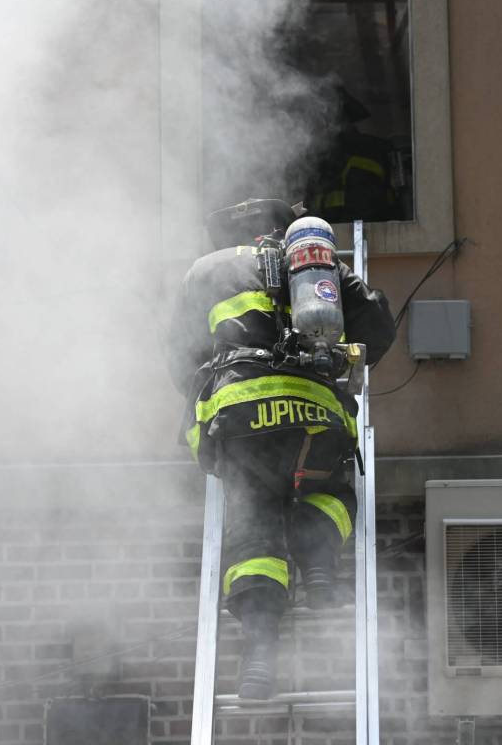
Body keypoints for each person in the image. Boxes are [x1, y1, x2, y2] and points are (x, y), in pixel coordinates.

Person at [167, 199, 395, 700]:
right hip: (315, 416)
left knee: (253, 528)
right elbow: (378, 329)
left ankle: (261, 648)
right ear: (278, 227)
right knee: (331, 490)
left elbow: (180, 359)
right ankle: (318, 570)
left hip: (240, 420)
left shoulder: (204, 271)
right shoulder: (313, 263)